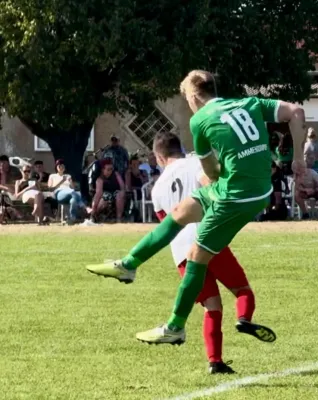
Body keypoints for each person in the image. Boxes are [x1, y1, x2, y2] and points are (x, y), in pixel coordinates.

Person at [87, 69, 306, 345]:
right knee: (180, 212)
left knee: (195, 256)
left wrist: (220, 172)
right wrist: (299, 157)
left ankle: (175, 326)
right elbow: (296, 111)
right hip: (250, 188)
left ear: (192, 95)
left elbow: (210, 170)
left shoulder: (200, 119)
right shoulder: (248, 103)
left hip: (234, 195)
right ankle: (129, 264)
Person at [134, 131, 275, 373]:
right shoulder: (195, 163)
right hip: (209, 240)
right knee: (242, 291)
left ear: (158, 156)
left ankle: (215, 362)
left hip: (182, 252)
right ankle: (244, 319)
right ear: (180, 148)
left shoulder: (156, 189)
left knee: (212, 306)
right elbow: (211, 184)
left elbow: (167, 226)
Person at [48, 159, 90, 224]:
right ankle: (85, 207)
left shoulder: (68, 176)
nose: (61, 167)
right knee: (72, 192)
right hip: (59, 193)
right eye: (59, 166)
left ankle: (72, 219)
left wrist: (70, 182)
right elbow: (50, 189)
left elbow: (73, 188)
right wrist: (62, 181)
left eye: (62, 166)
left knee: (73, 200)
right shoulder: (52, 176)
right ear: (56, 167)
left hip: (70, 194)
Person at [91, 159, 125, 223]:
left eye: (111, 169)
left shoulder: (116, 174)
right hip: (105, 196)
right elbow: (98, 194)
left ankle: (119, 218)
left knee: (119, 195)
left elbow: (122, 187)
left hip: (116, 193)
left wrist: (123, 192)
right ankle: (95, 216)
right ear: (103, 170)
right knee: (104, 199)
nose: (110, 171)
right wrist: (94, 208)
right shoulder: (100, 179)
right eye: (108, 169)